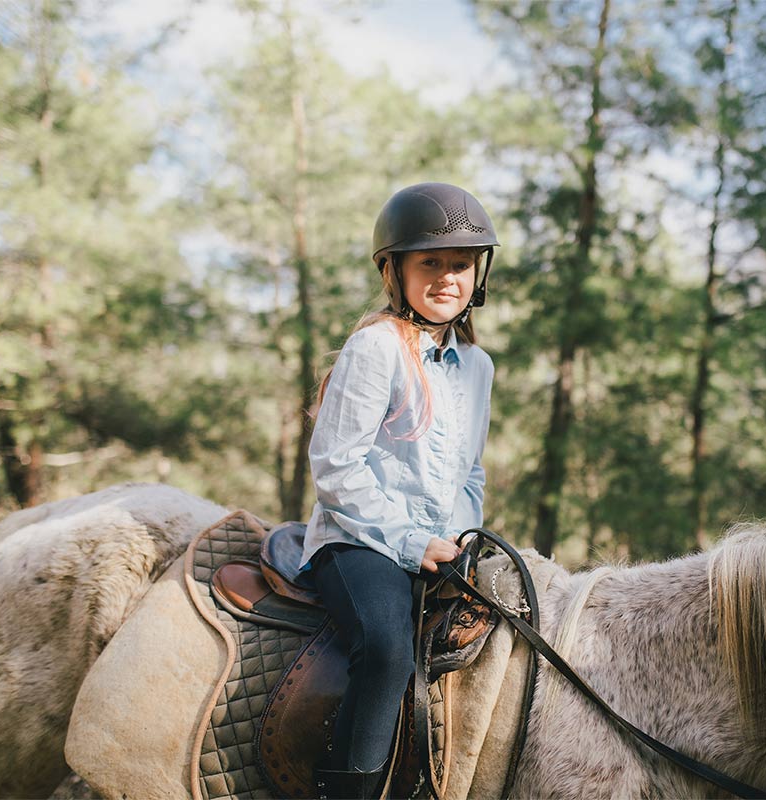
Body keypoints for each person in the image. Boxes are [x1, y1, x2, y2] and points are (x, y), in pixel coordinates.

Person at [300, 182, 498, 799]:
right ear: (396, 270)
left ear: (477, 273)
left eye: (460, 264)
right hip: (360, 541)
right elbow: (335, 467)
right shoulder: (377, 347)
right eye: (430, 262)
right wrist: (415, 542)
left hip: (440, 544)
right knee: (387, 649)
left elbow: (470, 472)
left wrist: (460, 539)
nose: (447, 277)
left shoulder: (479, 368)